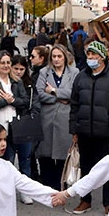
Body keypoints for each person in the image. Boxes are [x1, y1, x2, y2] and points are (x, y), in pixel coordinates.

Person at [69, 41, 109, 214]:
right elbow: (74, 105)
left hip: (105, 132)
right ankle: (85, 200)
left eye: (94, 55)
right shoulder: (81, 77)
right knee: (86, 167)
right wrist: (74, 129)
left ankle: (108, 203)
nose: (91, 58)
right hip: (84, 131)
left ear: (102, 57)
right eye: (88, 55)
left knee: (108, 168)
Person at [36, 44, 78, 190]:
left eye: (59, 56)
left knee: (63, 152)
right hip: (47, 117)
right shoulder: (44, 72)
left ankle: (62, 185)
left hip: (65, 117)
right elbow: (40, 93)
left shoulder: (74, 72)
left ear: (65, 57)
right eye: (53, 56)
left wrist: (53, 91)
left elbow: (74, 94)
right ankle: (48, 184)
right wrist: (59, 97)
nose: (56, 59)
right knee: (45, 152)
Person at [10, 54, 41, 192]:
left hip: (25, 122)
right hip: (10, 122)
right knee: (8, 159)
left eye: (21, 69)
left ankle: (25, 190)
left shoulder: (29, 84)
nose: (18, 72)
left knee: (26, 158)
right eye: (15, 68)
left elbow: (35, 103)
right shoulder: (8, 83)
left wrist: (32, 115)